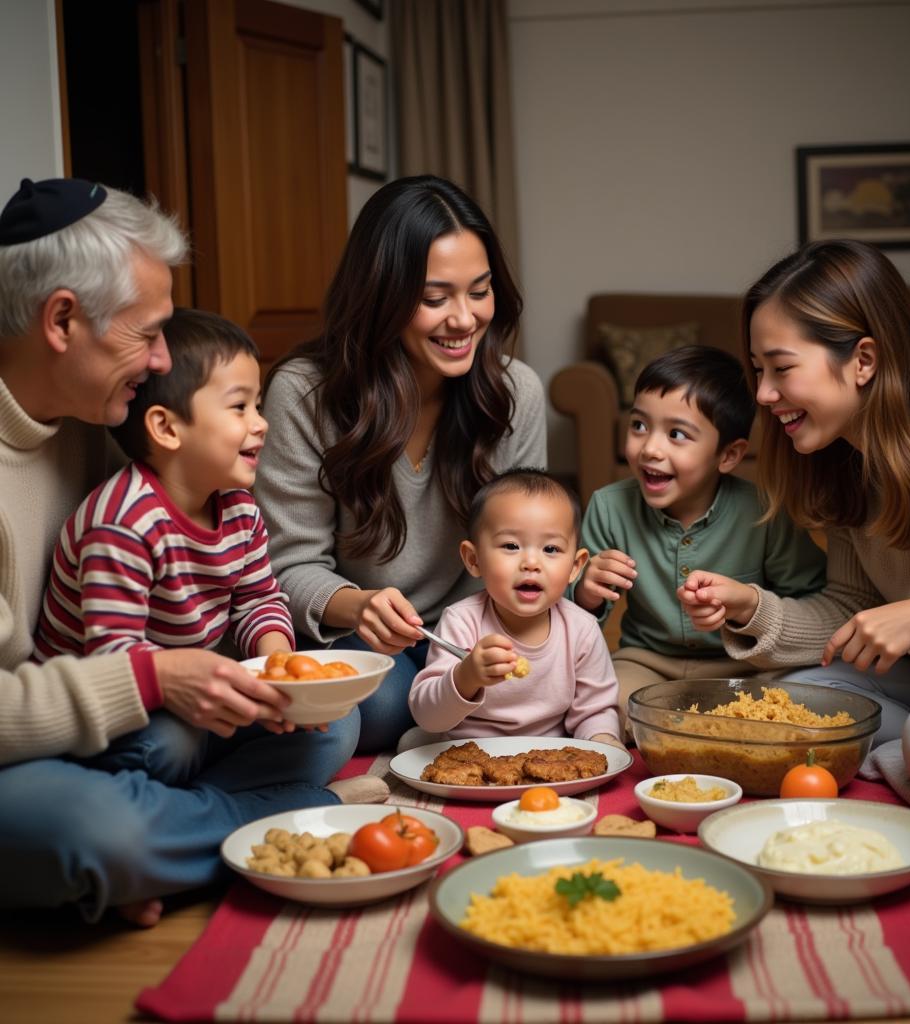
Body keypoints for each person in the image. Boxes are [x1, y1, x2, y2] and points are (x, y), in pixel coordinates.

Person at [0, 179, 373, 930]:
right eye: (148, 334)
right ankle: (295, 819)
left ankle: (168, 852)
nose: (163, 359)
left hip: (137, 720)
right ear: (63, 320)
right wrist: (156, 675)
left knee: (335, 716)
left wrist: (267, 669)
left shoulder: (94, 414)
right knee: (92, 832)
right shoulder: (111, 442)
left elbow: (230, 585)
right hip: (39, 757)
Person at [680, 239, 910, 817]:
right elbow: (852, 610)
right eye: (759, 371)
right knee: (791, 702)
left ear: (863, 360)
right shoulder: (846, 457)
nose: (763, 395)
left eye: (782, 368)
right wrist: (751, 608)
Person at [259, 176, 546, 753]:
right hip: (361, 643)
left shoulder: (516, 392)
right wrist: (360, 605)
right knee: (381, 703)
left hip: (479, 638)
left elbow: (533, 550)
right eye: (435, 299)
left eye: (480, 291)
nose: (464, 320)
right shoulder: (305, 393)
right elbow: (285, 568)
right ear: (381, 297)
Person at [572, 345, 825, 731]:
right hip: (646, 660)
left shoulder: (764, 510)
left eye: (676, 434)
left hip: (743, 664)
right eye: (639, 425)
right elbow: (572, 621)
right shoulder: (609, 507)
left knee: (785, 710)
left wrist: (746, 608)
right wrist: (585, 593)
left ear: (728, 455)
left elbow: (810, 598)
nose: (650, 449)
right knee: (603, 707)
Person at [33, 307, 296, 664]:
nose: (261, 423)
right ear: (167, 428)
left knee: (332, 720)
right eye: (240, 406)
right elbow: (116, 658)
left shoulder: (240, 508)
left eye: (258, 405)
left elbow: (258, 600)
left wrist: (280, 666)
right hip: (113, 693)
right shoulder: (123, 525)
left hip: (192, 681)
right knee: (175, 725)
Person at [406, 469, 622, 747]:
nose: (531, 563)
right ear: (474, 559)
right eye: (511, 545)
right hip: (468, 749)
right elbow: (428, 716)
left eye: (551, 550)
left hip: (547, 753)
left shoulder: (581, 629)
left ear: (576, 567)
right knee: (420, 744)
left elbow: (596, 709)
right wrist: (466, 676)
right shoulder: (461, 621)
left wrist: (603, 740)